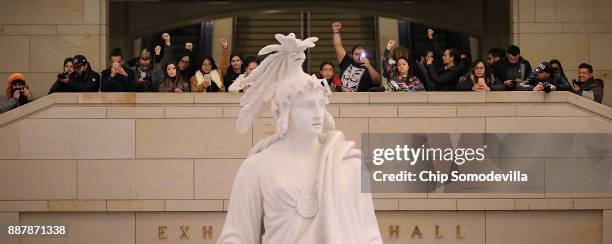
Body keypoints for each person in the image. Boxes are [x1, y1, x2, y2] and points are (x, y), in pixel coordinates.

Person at [219, 33, 382, 244]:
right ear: (284, 111)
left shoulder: (348, 164)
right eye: (306, 105)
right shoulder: (257, 168)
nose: (317, 113)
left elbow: (369, 233)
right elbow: (236, 235)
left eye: (320, 104)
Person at [332, 21, 381, 92]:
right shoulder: (347, 62)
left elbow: (377, 81)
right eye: (356, 54)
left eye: (361, 54)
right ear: (352, 55)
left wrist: (369, 66)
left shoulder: (369, 68)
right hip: (341, 98)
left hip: (358, 100)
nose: (359, 56)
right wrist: (336, 32)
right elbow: (338, 46)